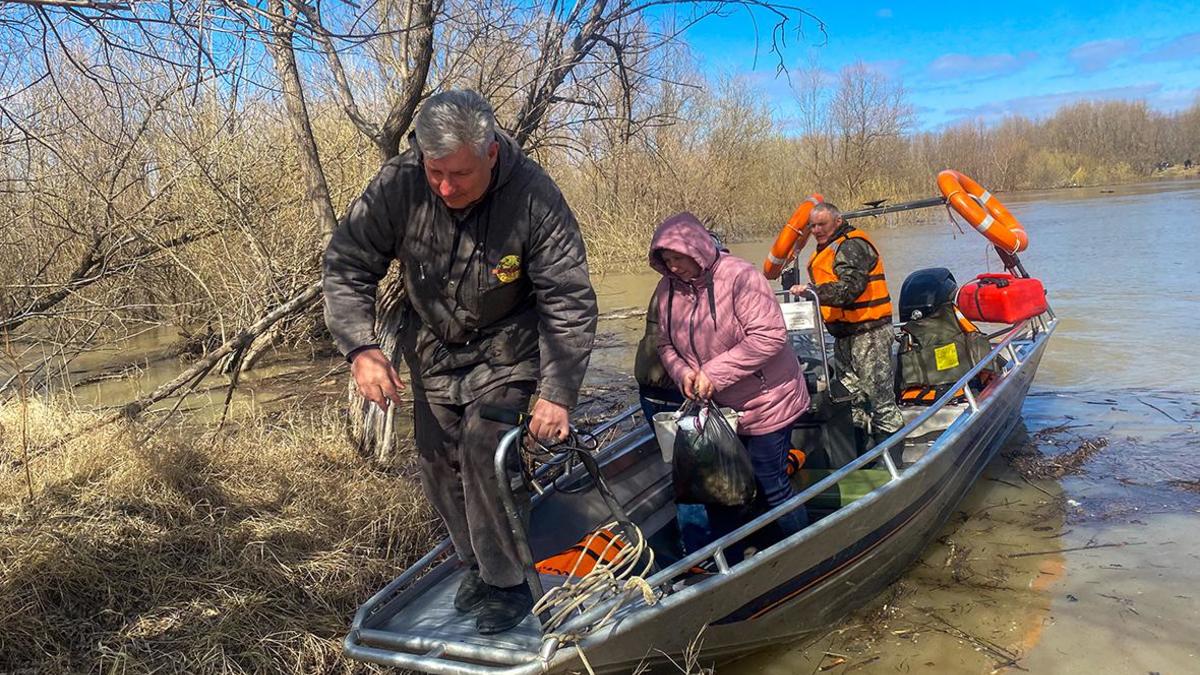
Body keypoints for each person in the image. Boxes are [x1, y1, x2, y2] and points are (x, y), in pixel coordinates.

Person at [322, 90, 598, 635]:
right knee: (434, 462)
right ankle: (477, 564)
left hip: (508, 347)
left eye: (461, 175)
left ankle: (507, 581)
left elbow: (568, 299)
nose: (446, 188)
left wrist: (557, 392)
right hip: (432, 347)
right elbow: (346, 265)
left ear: (491, 152)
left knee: (482, 451)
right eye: (436, 172)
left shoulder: (533, 195)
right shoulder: (397, 186)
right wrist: (361, 348)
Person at [650, 211, 810, 550]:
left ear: (697, 250)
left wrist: (713, 373)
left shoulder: (740, 276)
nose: (673, 267)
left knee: (770, 481)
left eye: (678, 258)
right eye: (667, 260)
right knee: (718, 488)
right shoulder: (667, 290)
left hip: (768, 400)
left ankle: (803, 548)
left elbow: (769, 336)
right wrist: (683, 373)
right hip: (717, 409)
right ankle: (728, 561)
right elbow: (664, 342)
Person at [789, 203, 903, 449]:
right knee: (850, 397)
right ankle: (860, 451)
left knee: (880, 399)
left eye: (822, 224)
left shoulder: (851, 246)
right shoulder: (826, 249)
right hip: (844, 336)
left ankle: (893, 455)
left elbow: (851, 287)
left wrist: (813, 292)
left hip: (869, 333)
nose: (817, 230)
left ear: (838, 222)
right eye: (813, 225)